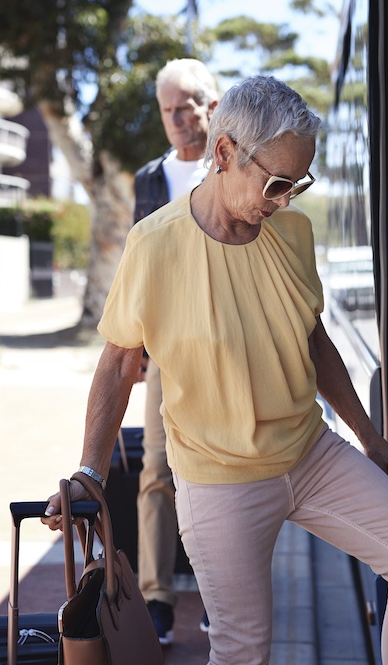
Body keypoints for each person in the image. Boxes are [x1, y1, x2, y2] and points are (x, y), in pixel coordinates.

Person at [43, 76, 388, 665]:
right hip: (220, 480)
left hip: (310, 455)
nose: (285, 199)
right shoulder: (154, 245)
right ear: (224, 154)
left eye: (298, 184)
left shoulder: (293, 232)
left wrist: (370, 439)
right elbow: (119, 362)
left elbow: (314, 341)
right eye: (275, 183)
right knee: (243, 651)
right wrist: (90, 468)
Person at [132, 58, 219, 646]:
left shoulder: (234, 166)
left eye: (187, 104)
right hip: (167, 345)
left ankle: (220, 593)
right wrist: (136, 343)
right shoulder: (150, 179)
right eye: (168, 109)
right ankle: (156, 599)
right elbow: (137, 265)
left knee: (226, 469)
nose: (178, 117)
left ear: (212, 105)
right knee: (156, 470)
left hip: (229, 342)